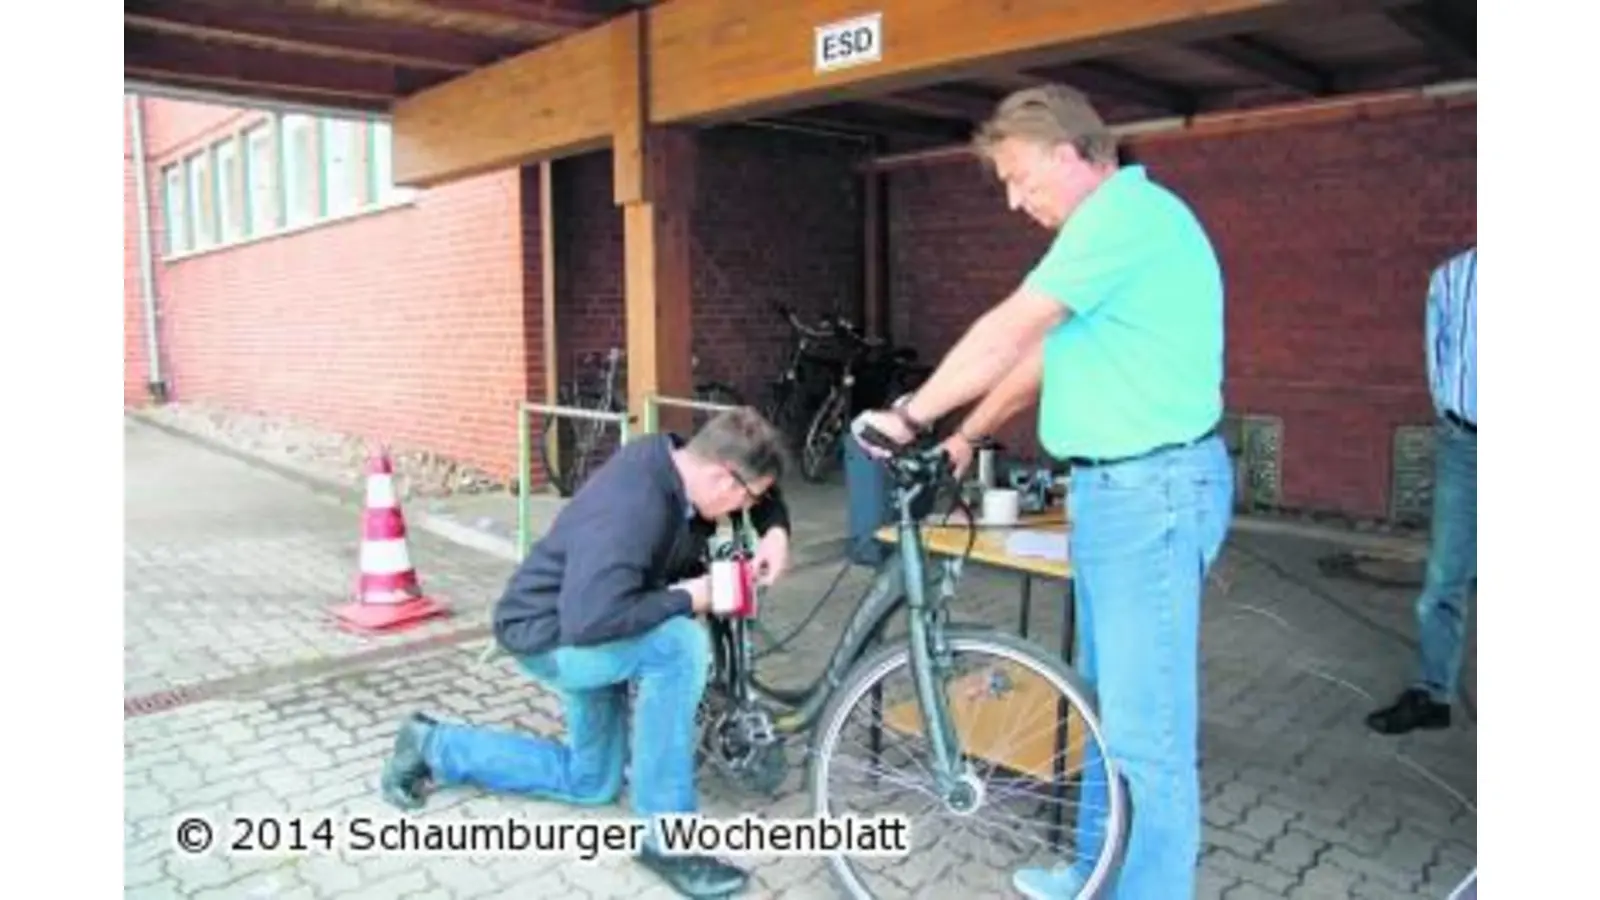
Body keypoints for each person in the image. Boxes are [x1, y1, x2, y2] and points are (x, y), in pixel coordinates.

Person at [851, 84, 1233, 899]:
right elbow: (1041, 358)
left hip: (1153, 490)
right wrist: (962, 438)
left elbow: (1010, 328)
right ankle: (1093, 870)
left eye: (1022, 179)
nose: (1017, 202)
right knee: (1102, 710)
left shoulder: (1126, 220)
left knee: (1148, 733)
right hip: (1114, 492)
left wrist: (911, 415)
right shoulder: (1103, 237)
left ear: (1071, 154)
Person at [378, 407, 794, 898]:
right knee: (679, 645)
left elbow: (754, 483)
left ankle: (429, 745)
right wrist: (691, 597)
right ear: (723, 479)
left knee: (590, 781)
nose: (742, 509)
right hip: (556, 638)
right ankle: (668, 839)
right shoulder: (636, 505)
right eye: (748, 500)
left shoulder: (679, 459)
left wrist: (775, 528)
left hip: (590, 622)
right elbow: (592, 621)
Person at [1366, 246, 1477, 735]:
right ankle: (1434, 694)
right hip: (1466, 443)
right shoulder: (1453, 278)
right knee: (1443, 581)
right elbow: (1439, 354)